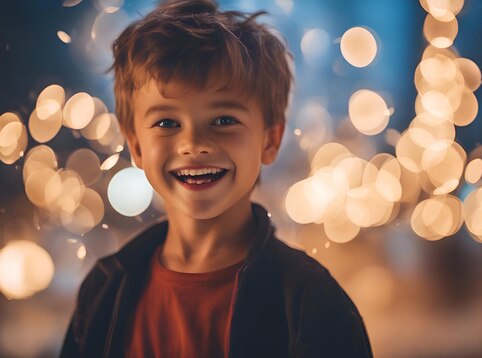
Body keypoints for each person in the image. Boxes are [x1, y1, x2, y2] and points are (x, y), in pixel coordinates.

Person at [60, 0, 373, 356]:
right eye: (167, 123)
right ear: (137, 147)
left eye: (224, 120)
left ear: (269, 139)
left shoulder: (310, 304)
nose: (194, 144)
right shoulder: (104, 291)